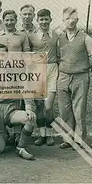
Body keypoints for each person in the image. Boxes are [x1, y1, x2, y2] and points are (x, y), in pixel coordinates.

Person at [56, 7, 92, 149]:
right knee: (64, 109)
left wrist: (82, 67)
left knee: (79, 109)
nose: (70, 21)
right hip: (63, 76)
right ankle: (68, 139)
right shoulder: (59, 38)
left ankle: (80, 139)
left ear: (77, 20)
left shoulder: (86, 38)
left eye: (73, 18)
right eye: (67, 18)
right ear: (63, 20)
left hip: (80, 77)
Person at [0, 44, 38, 161]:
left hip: (11, 109)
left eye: (3, 55)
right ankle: (3, 134)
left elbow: (26, 90)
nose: (0, 57)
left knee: (31, 118)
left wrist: (29, 108)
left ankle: (20, 147)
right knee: (0, 149)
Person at [29, 8, 60, 146]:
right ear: (37, 20)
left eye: (46, 19)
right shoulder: (32, 36)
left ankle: (50, 134)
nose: (44, 22)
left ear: (50, 20)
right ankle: (42, 135)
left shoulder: (57, 34)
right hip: (37, 70)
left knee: (48, 106)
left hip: (52, 69)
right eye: (41, 19)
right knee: (39, 105)